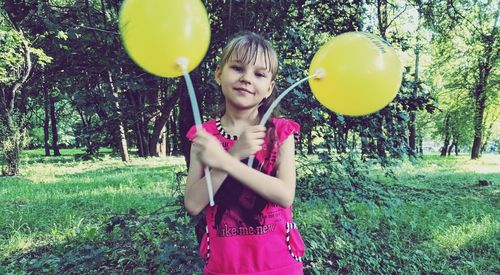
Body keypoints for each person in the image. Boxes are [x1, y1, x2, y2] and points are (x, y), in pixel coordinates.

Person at [184, 32, 305, 275]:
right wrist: (234, 153)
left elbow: (284, 195)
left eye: (259, 74)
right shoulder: (204, 136)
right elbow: (193, 204)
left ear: (270, 87)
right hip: (224, 266)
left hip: (278, 266)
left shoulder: (280, 132)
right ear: (219, 75)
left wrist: (227, 162)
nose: (247, 79)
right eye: (237, 68)